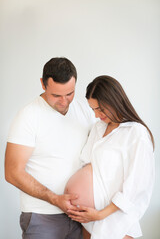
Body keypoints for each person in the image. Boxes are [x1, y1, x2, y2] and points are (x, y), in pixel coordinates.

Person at [5, 57, 95, 239]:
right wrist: (55, 199)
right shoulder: (28, 116)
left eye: (69, 93)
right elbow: (12, 172)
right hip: (42, 216)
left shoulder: (85, 110)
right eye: (56, 95)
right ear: (42, 84)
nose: (64, 101)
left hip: (81, 216)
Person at [65, 75, 155, 239]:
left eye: (100, 109)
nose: (96, 115)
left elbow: (136, 187)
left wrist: (100, 215)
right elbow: (85, 163)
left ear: (114, 101)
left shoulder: (136, 133)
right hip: (89, 219)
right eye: (93, 109)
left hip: (115, 220)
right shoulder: (98, 128)